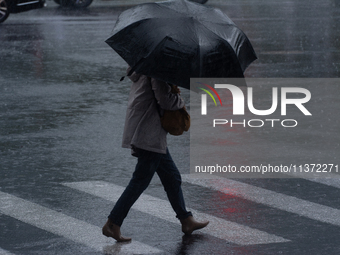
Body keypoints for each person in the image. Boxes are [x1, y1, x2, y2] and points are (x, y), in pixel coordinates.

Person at [102, 67, 209, 242]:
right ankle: (113, 223)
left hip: (148, 130)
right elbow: (165, 101)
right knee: (140, 181)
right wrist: (180, 100)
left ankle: (186, 220)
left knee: (172, 177)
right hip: (149, 133)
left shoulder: (144, 65)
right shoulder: (157, 70)